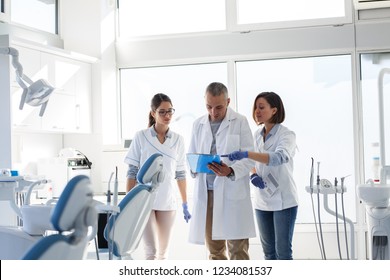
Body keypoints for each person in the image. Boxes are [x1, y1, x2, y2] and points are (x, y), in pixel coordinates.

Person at [188, 82, 256, 260]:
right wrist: (195, 165)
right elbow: (191, 156)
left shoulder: (240, 121)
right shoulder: (198, 124)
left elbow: (250, 157)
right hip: (207, 194)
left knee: (238, 251)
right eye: (209, 107)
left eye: (218, 107)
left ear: (228, 101)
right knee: (215, 251)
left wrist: (231, 170)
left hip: (232, 192)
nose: (213, 112)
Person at [227, 91, 298, 260]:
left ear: (274, 110)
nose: (257, 111)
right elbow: (253, 164)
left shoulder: (286, 135)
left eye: (261, 107)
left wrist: (247, 154)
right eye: (255, 108)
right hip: (262, 201)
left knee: (283, 253)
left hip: (284, 201)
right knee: (268, 253)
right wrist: (253, 175)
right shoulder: (257, 135)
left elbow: (278, 158)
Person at [124, 93, 191, 260]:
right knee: (151, 252)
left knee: (163, 253)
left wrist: (184, 203)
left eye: (170, 111)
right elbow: (132, 171)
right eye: (162, 112)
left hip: (167, 201)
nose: (167, 115)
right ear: (153, 113)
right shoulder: (141, 136)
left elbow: (181, 174)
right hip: (144, 200)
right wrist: (128, 202)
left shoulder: (178, 140)